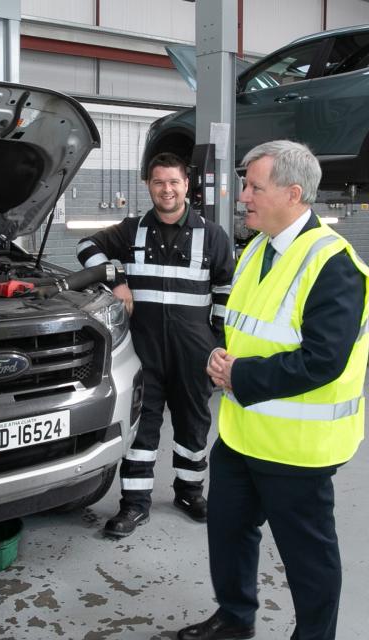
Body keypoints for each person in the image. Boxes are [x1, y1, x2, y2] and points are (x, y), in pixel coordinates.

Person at [178, 140, 369, 640]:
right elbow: (242, 326)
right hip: (242, 432)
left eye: (253, 187)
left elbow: (323, 361)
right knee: (228, 532)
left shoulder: (334, 263)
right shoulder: (257, 249)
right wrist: (217, 354)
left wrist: (238, 377)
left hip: (296, 447)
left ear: (293, 193)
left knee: (307, 556)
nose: (242, 195)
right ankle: (235, 617)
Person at [76, 152, 235, 537]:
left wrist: (216, 343)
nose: (167, 189)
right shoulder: (130, 231)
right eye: (159, 182)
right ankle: (134, 504)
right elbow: (86, 247)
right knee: (140, 429)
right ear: (149, 185)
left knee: (193, 426)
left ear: (187, 186)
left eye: (174, 182)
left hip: (194, 352)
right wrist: (116, 279)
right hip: (143, 351)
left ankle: (190, 493)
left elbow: (227, 291)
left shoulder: (212, 236)